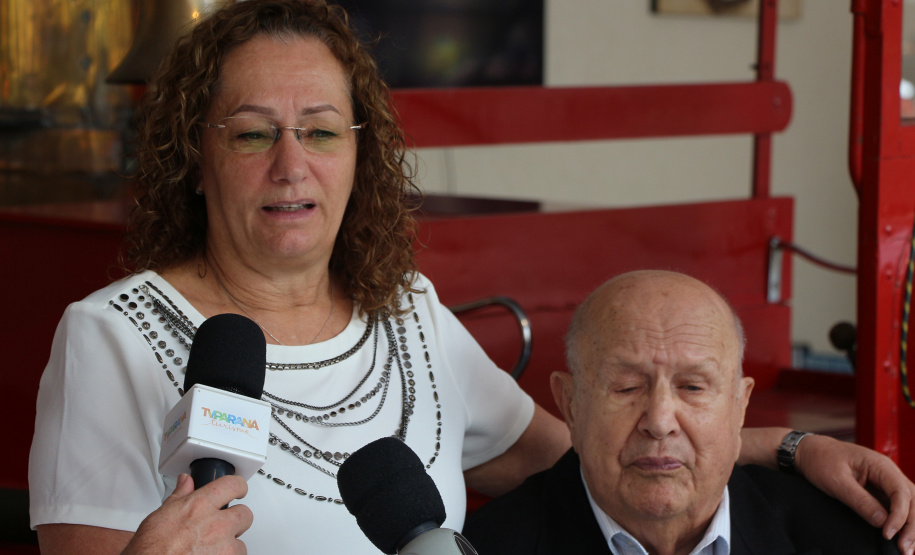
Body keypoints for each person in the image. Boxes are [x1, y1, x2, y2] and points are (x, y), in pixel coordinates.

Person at [25, 1, 915, 553]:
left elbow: (592, 455)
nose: (291, 164)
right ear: (196, 156)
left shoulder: (405, 311)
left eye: (323, 130)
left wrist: (794, 450)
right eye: (253, 131)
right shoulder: (109, 336)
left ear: (357, 156)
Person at [463, 270, 904, 555]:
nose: (659, 420)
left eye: (693, 386)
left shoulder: (854, 541)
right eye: (627, 386)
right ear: (570, 405)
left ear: (740, 405)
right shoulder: (487, 548)